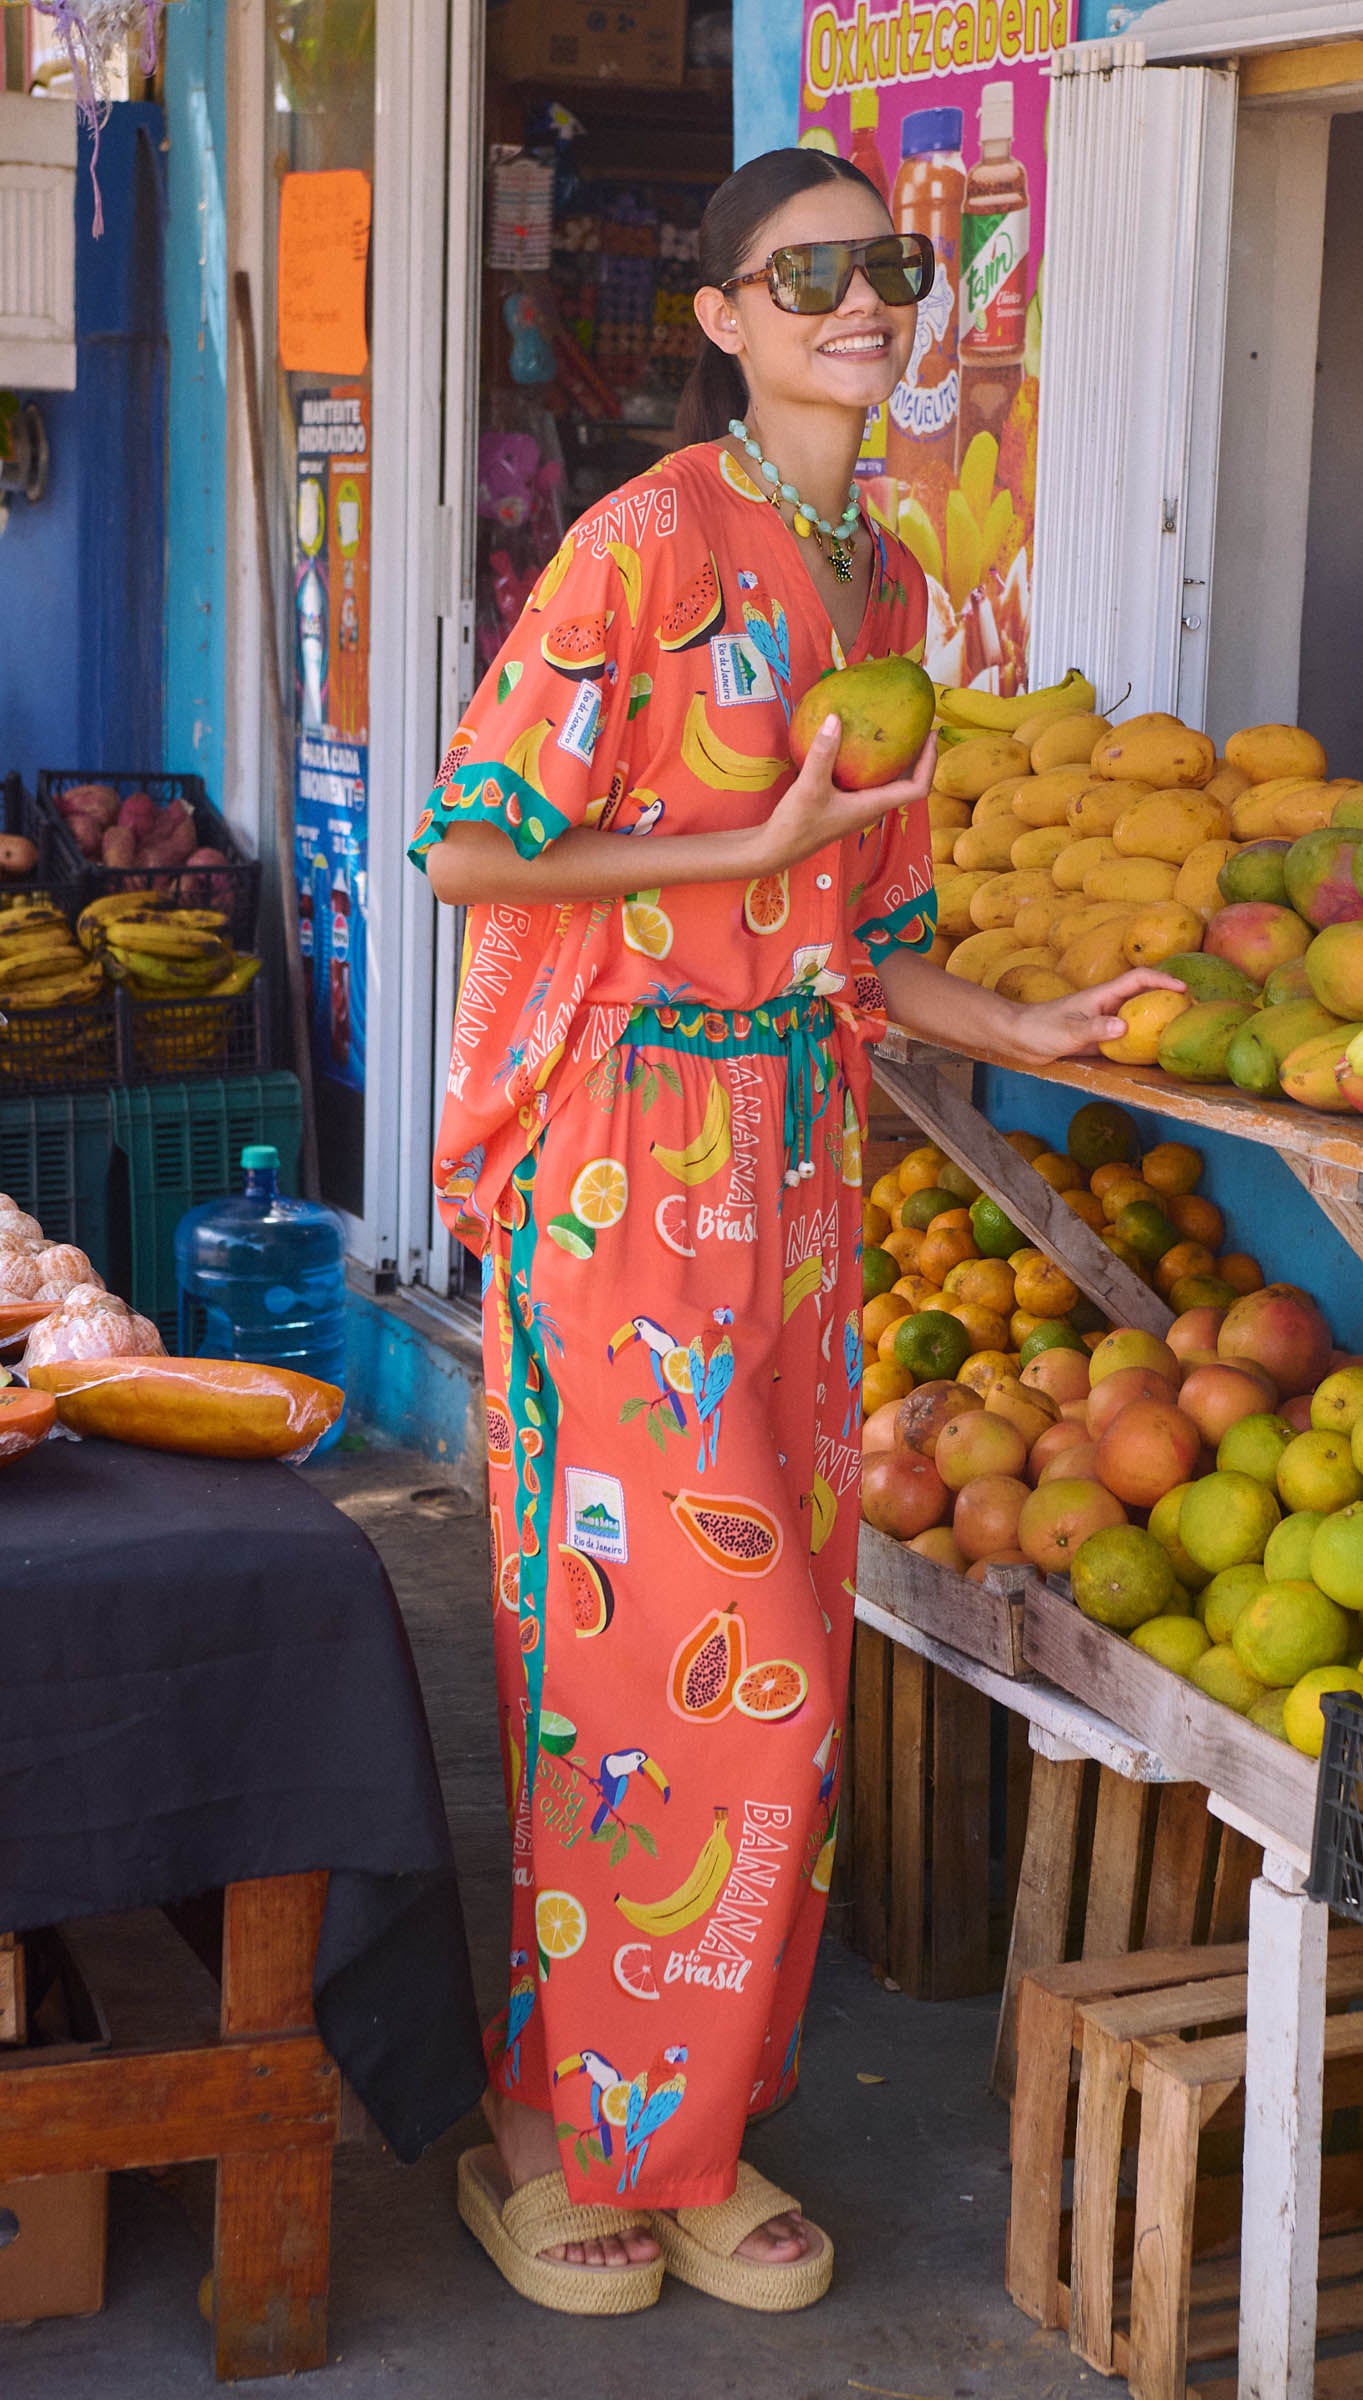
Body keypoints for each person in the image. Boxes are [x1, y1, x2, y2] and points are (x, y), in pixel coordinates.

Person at [410, 145, 1181, 2321]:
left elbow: (881, 927)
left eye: (889, 268)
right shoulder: (643, 546)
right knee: (656, 1675)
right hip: (624, 1161)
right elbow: (471, 856)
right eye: (811, 273)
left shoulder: (889, 584)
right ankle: (555, 2127)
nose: (863, 300)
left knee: (781, 1670)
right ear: (727, 317)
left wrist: (1017, 1014)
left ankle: (685, 2125)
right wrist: (742, 844)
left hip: (806, 1171)